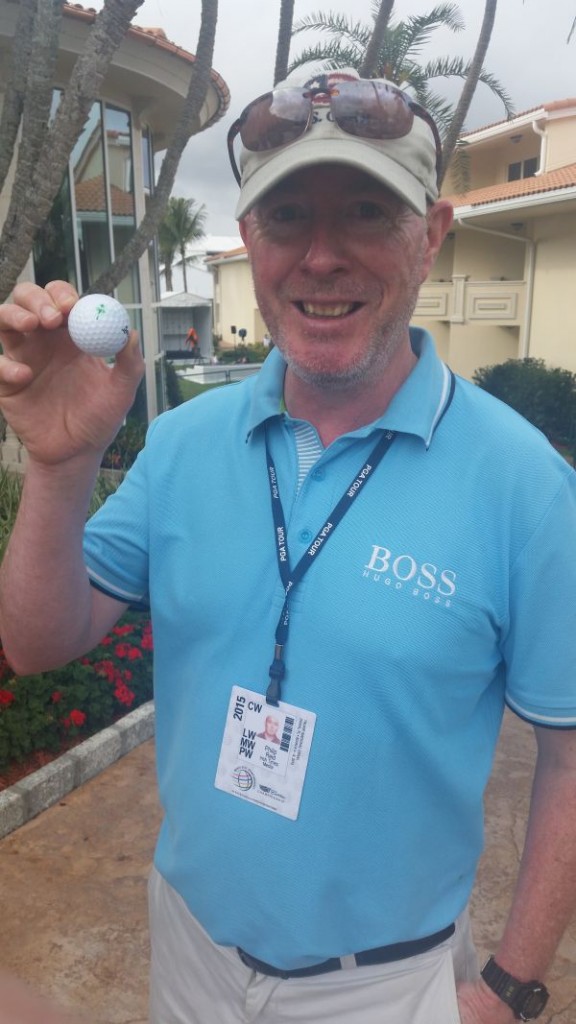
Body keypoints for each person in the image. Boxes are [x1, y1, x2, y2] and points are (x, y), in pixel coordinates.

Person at [0, 67, 575, 1024]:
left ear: (429, 237)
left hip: (386, 985)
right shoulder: (183, 444)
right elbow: (36, 642)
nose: (321, 257)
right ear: (250, 241)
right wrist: (61, 469)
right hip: (189, 947)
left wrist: (511, 986)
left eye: (364, 211)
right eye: (286, 218)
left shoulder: (525, 486)